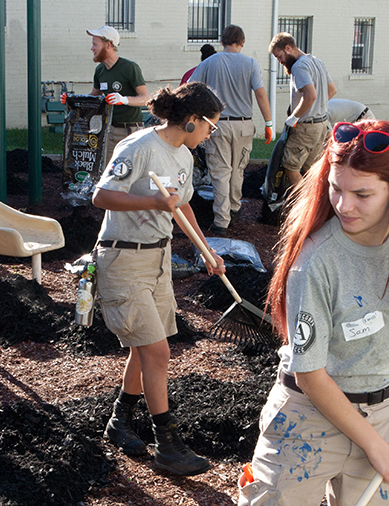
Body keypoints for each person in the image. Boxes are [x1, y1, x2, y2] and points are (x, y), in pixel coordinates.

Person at [238, 119, 389, 505]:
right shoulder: (316, 262)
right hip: (308, 416)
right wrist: (373, 445)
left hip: (386, 409)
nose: (344, 205)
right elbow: (309, 375)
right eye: (335, 189)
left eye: (362, 194)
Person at [93, 82, 226, 476]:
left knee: (145, 347)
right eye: (209, 127)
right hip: (122, 258)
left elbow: (181, 205)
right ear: (191, 120)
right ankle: (167, 444)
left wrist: (207, 249)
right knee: (158, 353)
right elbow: (101, 196)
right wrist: (153, 201)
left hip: (158, 258)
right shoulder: (137, 148)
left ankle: (119, 421)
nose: (209, 135)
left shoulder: (183, 156)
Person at [190, 25, 273, 235]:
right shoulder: (251, 63)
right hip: (244, 124)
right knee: (238, 170)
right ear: (242, 42)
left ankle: (221, 221)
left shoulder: (210, 62)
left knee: (220, 173)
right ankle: (235, 209)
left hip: (217, 124)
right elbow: (261, 95)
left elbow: (191, 88)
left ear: (222, 41)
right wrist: (269, 123)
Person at [61, 26, 150, 166]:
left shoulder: (129, 68)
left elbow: (146, 98)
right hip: (108, 130)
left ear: (108, 45)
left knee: (131, 170)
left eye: (95, 44)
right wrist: (72, 100)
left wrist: (124, 100)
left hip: (130, 130)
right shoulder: (100, 70)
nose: (92, 48)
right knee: (109, 171)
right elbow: (94, 96)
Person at [269, 32, 336, 188]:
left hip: (306, 128)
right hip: (321, 125)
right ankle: (315, 203)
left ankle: (303, 204)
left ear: (288, 48)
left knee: (291, 167)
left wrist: (294, 117)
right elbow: (331, 90)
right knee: (310, 169)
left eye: (279, 56)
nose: (279, 61)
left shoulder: (299, 66)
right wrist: (317, 107)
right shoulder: (317, 62)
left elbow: (310, 95)